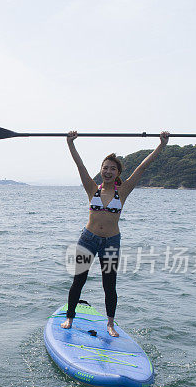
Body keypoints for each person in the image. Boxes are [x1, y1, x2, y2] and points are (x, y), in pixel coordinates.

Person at [61, 130, 169, 336]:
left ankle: (110, 323)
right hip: (88, 240)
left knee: (109, 283)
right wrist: (71, 143)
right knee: (79, 280)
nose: (108, 171)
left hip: (111, 243)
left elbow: (142, 167)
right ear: (100, 170)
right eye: (105, 168)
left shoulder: (124, 190)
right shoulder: (92, 188)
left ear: (118, 173)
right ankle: (70, 317)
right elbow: (80, 165)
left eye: (112, 169)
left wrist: (161, 145)